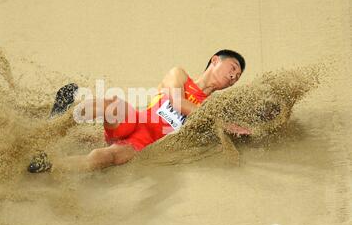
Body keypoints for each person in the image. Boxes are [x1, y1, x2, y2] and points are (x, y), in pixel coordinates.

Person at [28, 49, 250, 173]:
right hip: (136, 120)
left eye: (237, 77)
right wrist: (215, 120)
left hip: (143, 144)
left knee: (106, 157)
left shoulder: (211, 109)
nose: (233, 77)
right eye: (232, 68)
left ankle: (47, 165)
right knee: (112, 105)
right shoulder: (180, 75)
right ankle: (60, 119)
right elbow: (176, 102)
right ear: (214, 61)